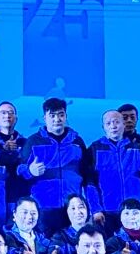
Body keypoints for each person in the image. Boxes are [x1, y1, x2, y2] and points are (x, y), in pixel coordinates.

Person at [17, 97, 89, 233]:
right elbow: (19, 171)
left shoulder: (77, 141)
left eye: (61, 115)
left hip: (72, 208)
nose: (57, 119)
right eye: (52, 115)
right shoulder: (33, 141)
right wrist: (30, 171)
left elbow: (86, 173)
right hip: (44, 209)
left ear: (66, 116)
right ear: (44, 118)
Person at [86, 110, 140, 227]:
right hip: (107, 213)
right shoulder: (94, 149)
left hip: (133, 210)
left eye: (116, 122)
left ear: (123, 124)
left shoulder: (137, 147)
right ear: (103, 127)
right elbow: (90, 183)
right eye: (108, 123)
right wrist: (96, 209)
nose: (113, 126)